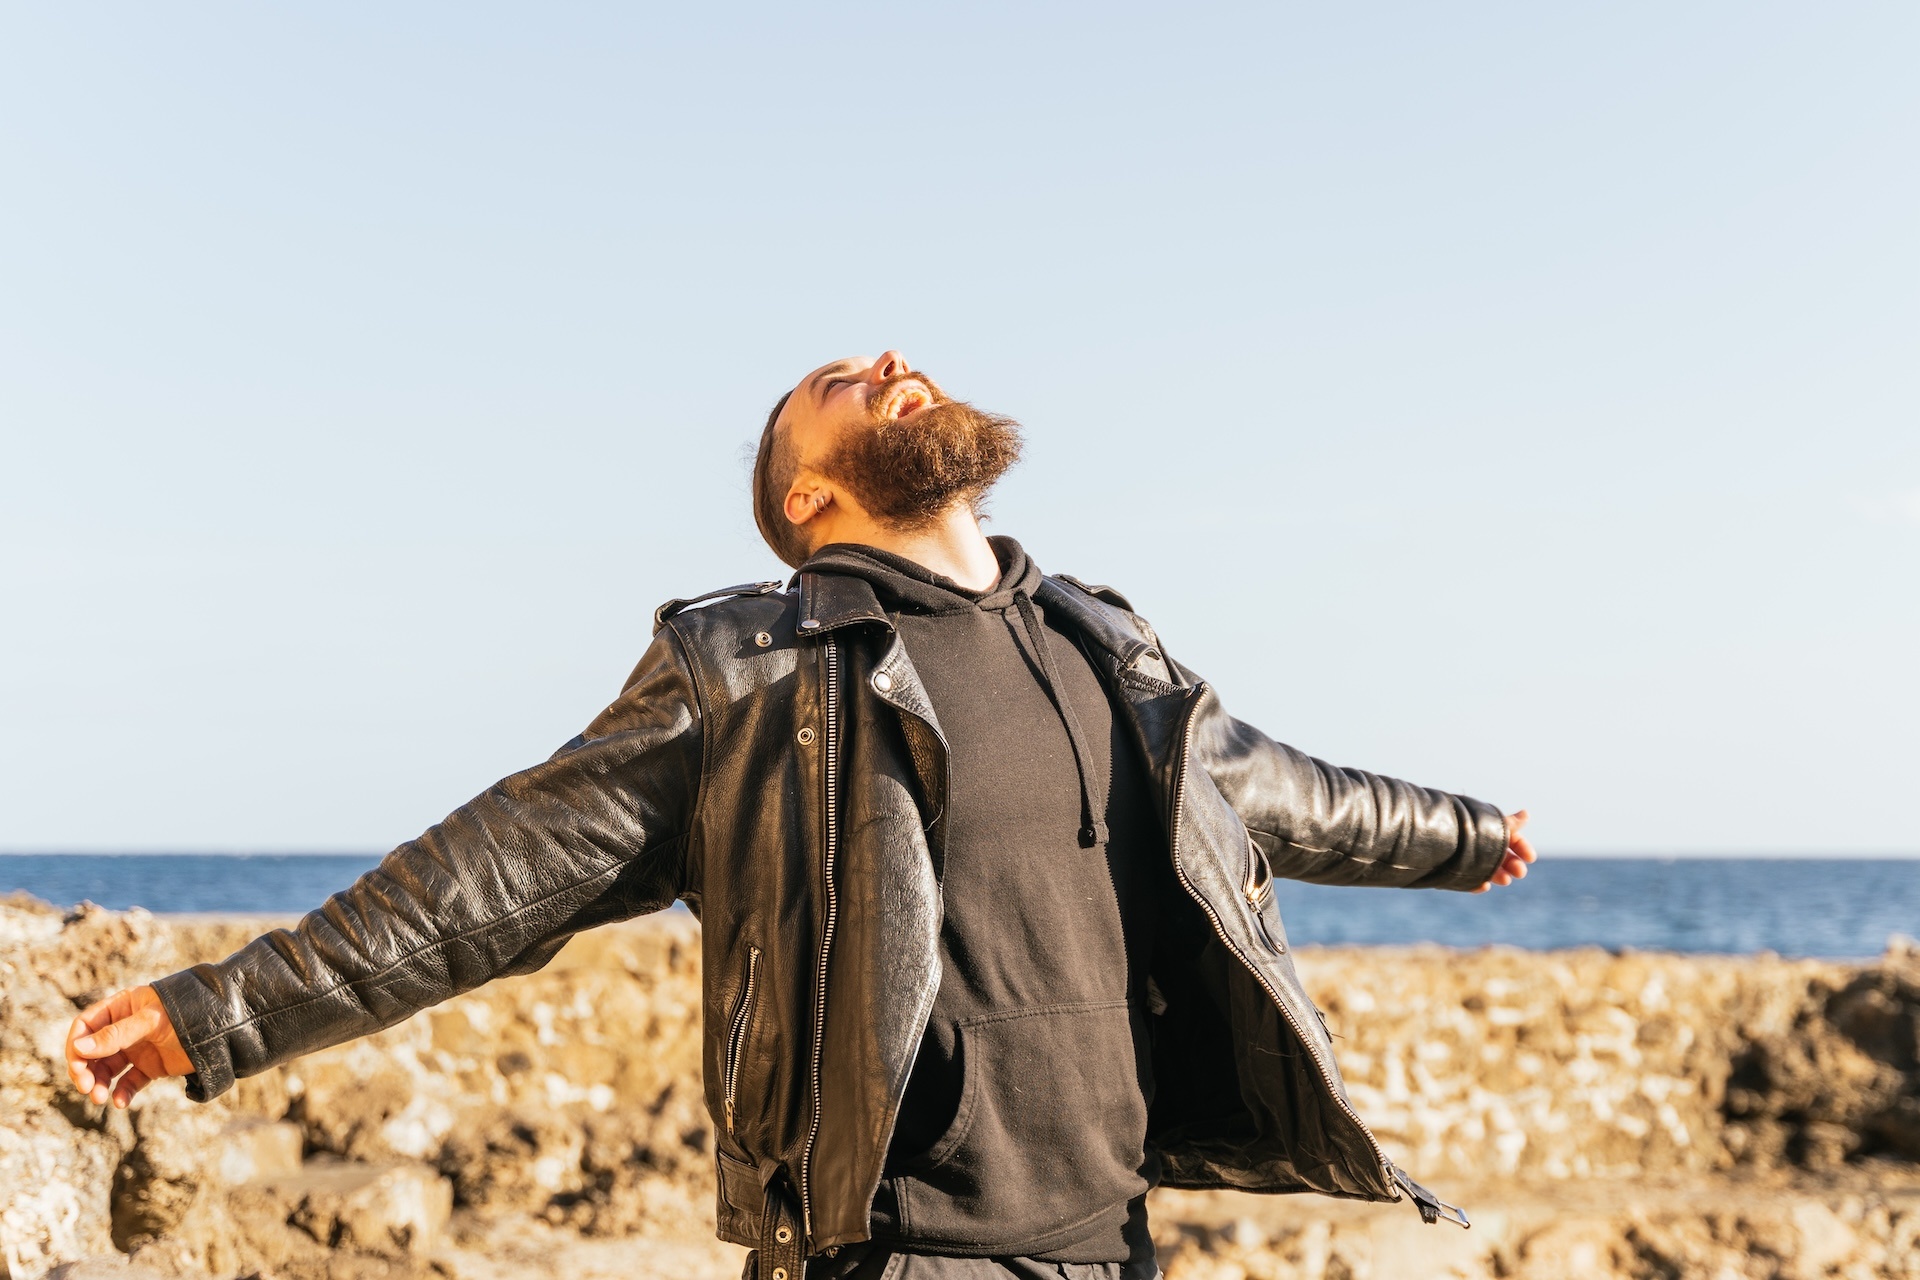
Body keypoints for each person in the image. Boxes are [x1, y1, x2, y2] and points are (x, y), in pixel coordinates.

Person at [67, 351, 1538, 1280]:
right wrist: (225, 1011)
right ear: (810, 496)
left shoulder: (1104, 644)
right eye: (843, 380)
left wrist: (1466, 838)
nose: (892, 360)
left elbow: (1272, 791)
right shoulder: (751, 673)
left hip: (1112, 1239)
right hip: (891, 1255)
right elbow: (490, 878)